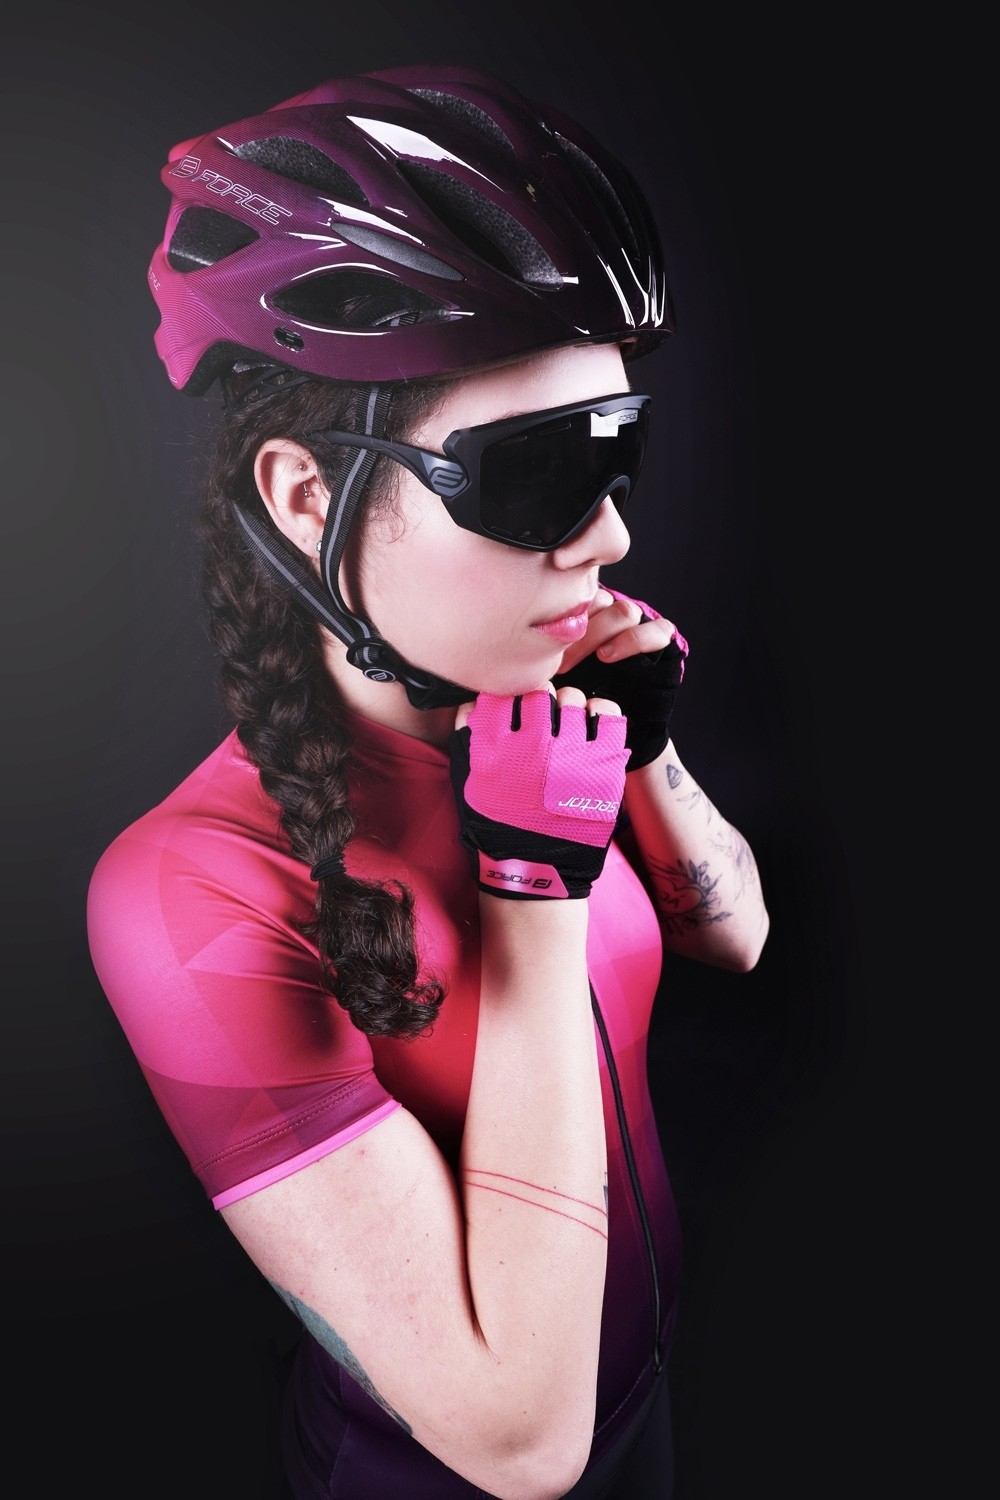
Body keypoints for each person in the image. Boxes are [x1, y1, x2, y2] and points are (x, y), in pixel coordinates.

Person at [87, 64, 769, 1500]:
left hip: (651, 1412)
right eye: (532, 478)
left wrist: (646, 754)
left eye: (617, 454)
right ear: (304, 498)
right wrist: (531, 893)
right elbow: (518, 1439)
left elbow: (736, 937)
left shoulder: (546, 735)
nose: (608, 540)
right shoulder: (187, 894)